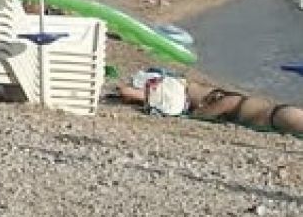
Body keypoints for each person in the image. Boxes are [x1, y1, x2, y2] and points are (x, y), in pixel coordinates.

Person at [117, 77, 303, 136]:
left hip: (274, 116)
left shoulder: (191, 96)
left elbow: (228, 102)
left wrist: (199, 114)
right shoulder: (189, 93)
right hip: (273, 116)